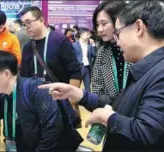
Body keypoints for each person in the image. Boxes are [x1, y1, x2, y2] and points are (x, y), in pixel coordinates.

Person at [39, 1, 164, 151]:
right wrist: (78, 94)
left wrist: (109, 118)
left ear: (138, 28)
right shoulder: (145, 68)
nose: (117, 42)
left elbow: (146, 131)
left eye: (119, 33)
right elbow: (118, 103)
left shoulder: (159, 73)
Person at [20, 6, 82, 117]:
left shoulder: (59, 40)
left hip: (61, 101)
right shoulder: (28, 47)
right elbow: (24, 77)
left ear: (41, 20)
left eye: (28, 22)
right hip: (37, 104)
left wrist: (72, 101)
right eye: (24, 24)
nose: (26, 27)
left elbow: (75, 72)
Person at [91, 1, 130, 101]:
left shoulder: (135, 49)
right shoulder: (102, 52)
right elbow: (97, 87)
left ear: (118, 21)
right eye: (97, 24)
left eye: (104, 24)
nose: (100, 29)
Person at [73, 27, 96, 92]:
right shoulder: (74, 45)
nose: (88, 36)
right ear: (81, 35)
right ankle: (75, 100)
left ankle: (88, 100)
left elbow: (94, 54)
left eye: (89, 35)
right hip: (78, 67)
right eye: (87, 34)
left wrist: (93, 45)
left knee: (88, 86)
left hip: (87, 67)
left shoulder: (89, 45)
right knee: (76, 86)